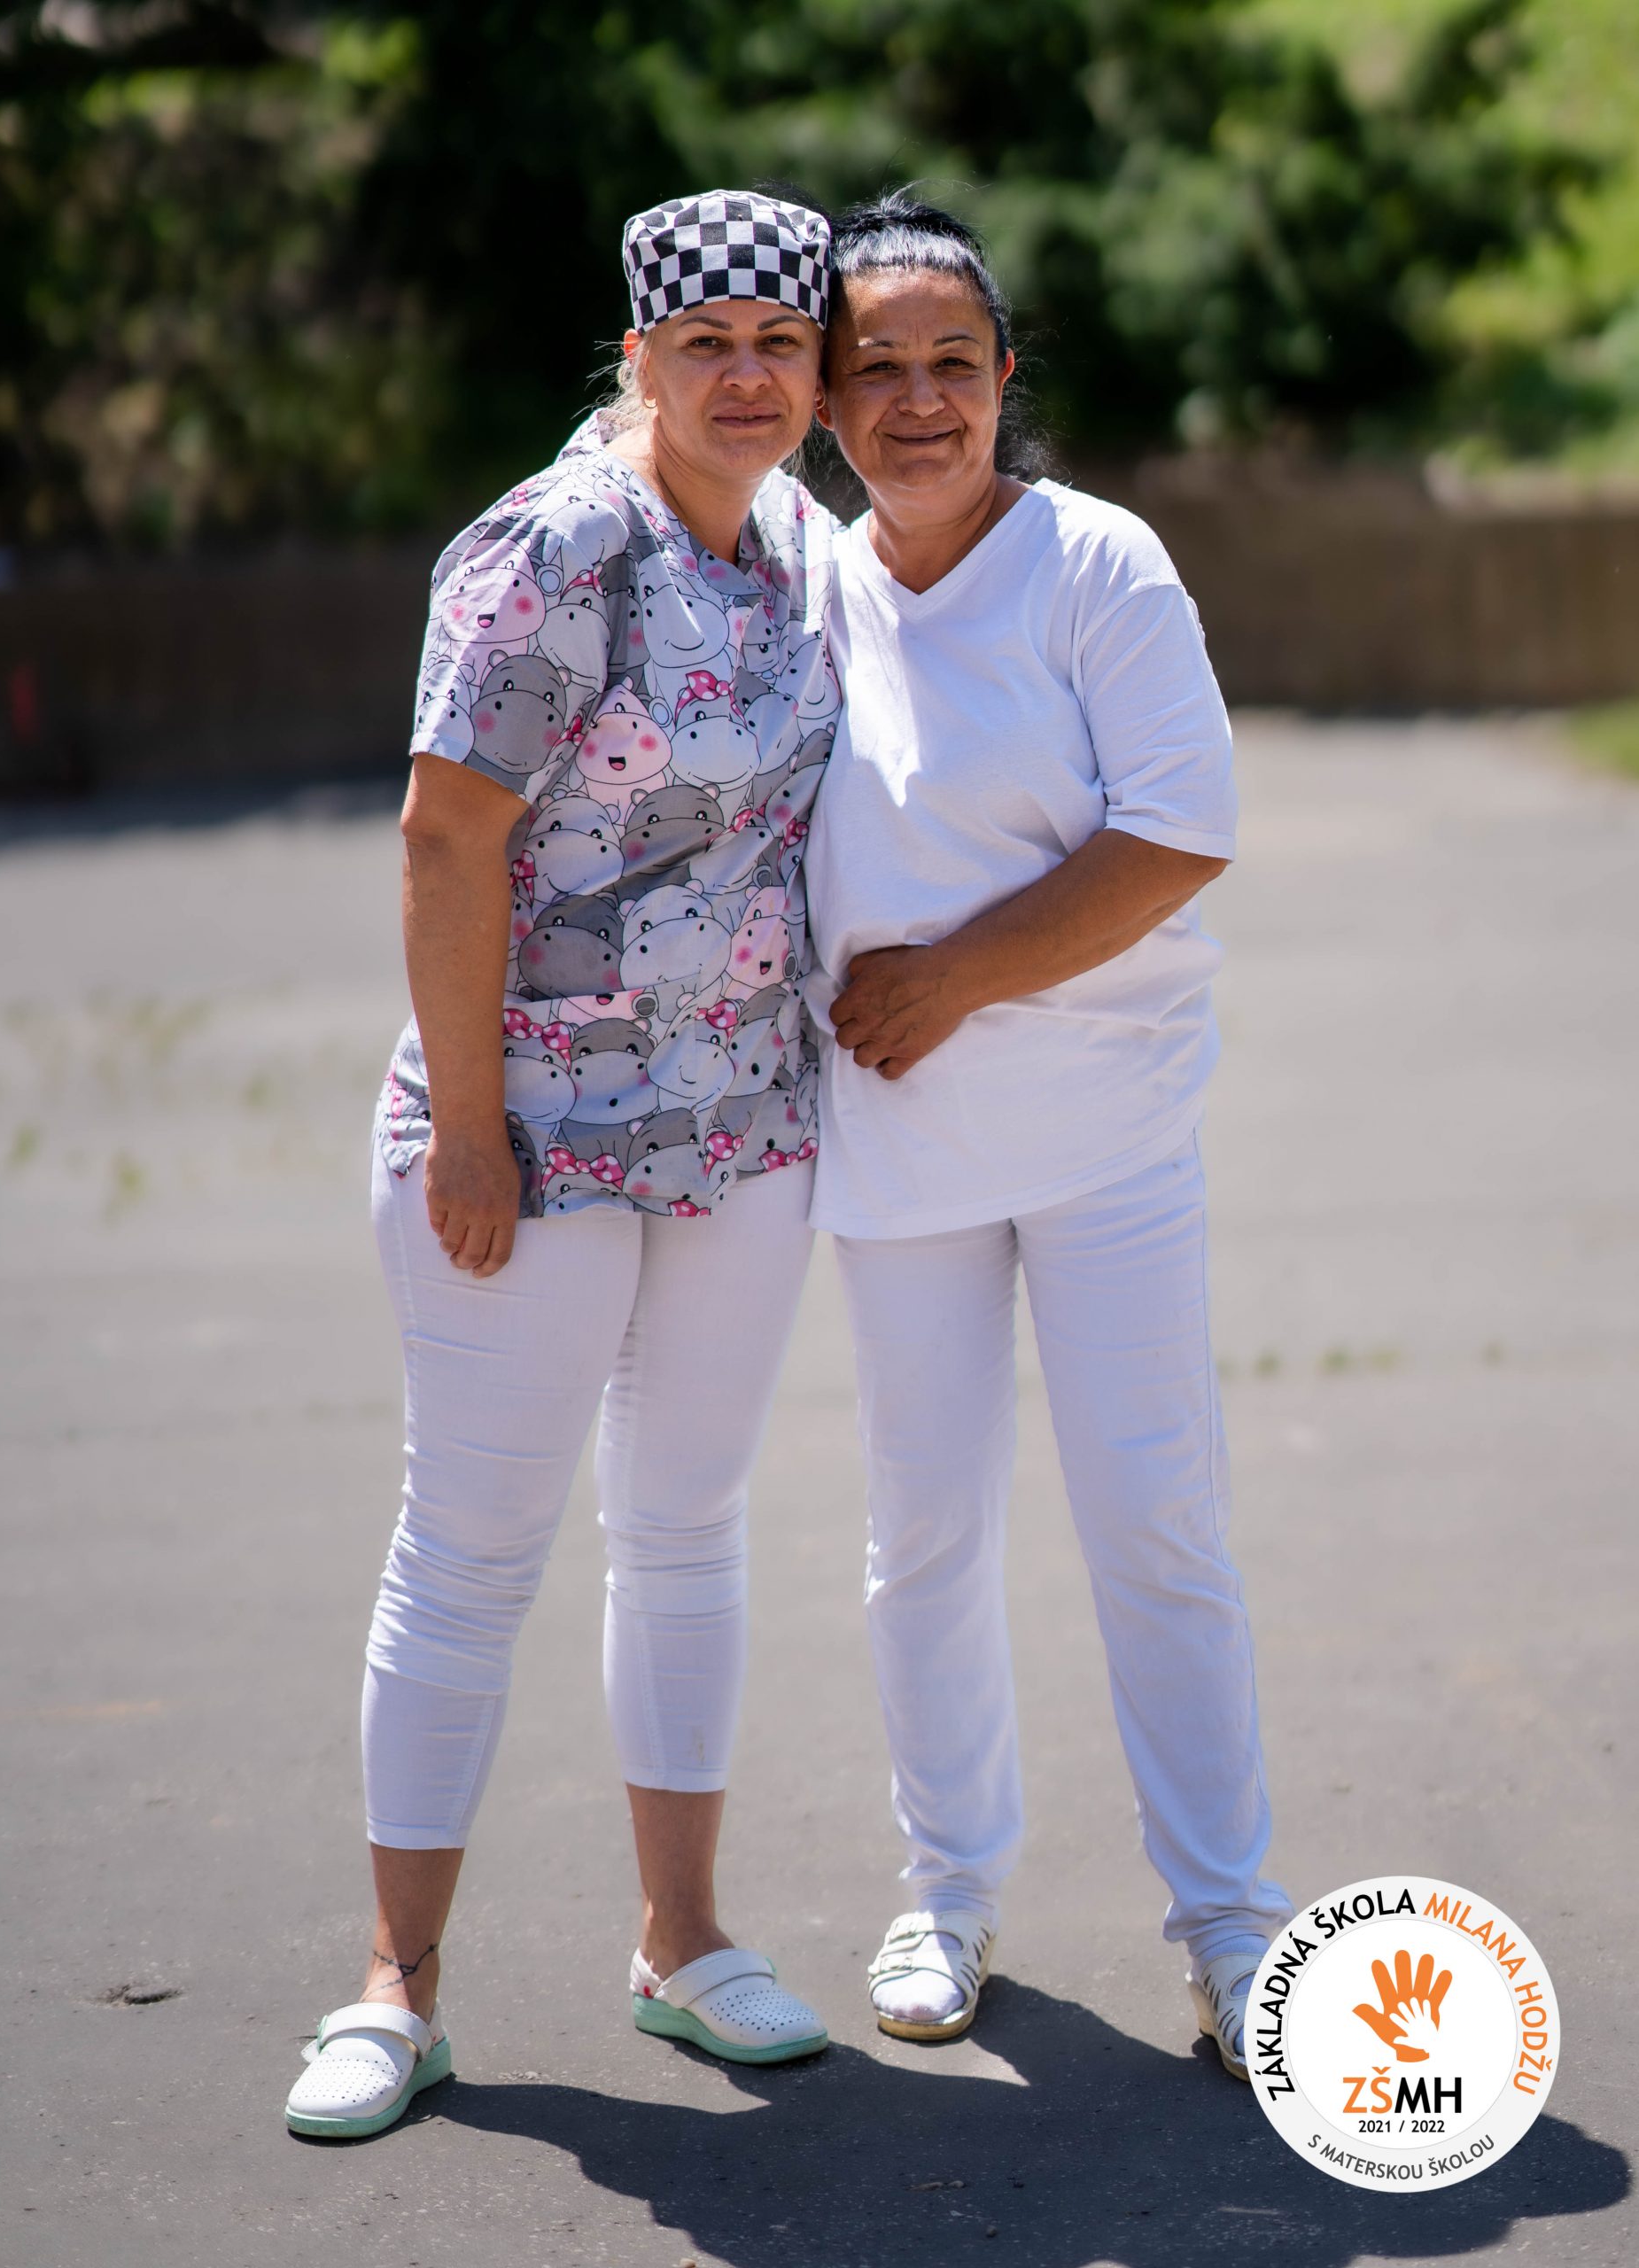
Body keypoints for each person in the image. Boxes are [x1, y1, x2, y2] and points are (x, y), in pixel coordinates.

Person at [285, 189, 843, 2140]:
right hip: (529, 1134)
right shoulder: (561, 544)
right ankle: (396, 1986)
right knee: (471, 1547)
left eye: (781, 343)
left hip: (744, 1130)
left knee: (687, 1526)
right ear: (639, 360)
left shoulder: (795, 537)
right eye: (709, 347)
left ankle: (683, 1943)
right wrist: (466, 1125)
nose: (749, 378)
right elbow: (447, 837)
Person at [802, 193, 1292, 2078]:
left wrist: (951, 980)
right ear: (826, 396)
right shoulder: (799, 580)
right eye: (878, 368)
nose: (919, 400)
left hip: (1107, 1128)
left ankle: (1232, 1923)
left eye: (955, 361)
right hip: (896, 1147)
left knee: (1153, 1520)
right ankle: (947, 1889)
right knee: (920, 1533)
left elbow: (1177, 832)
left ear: (1007, 376)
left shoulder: (1099, 562)